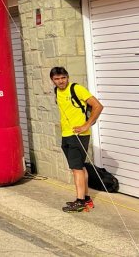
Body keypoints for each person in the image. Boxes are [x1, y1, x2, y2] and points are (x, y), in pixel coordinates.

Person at [51, 67, 104, 213]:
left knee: (76, 169)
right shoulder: (57, 91)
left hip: (78, 135)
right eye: (57, 79)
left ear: (67, 77)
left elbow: (98, 106)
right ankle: (86, 199)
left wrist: (86, 125)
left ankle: (79, 201)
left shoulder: (77, 89)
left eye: (63, 78)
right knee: (80, 167)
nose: (60, 81)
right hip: (66, 135)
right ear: (52, 80)